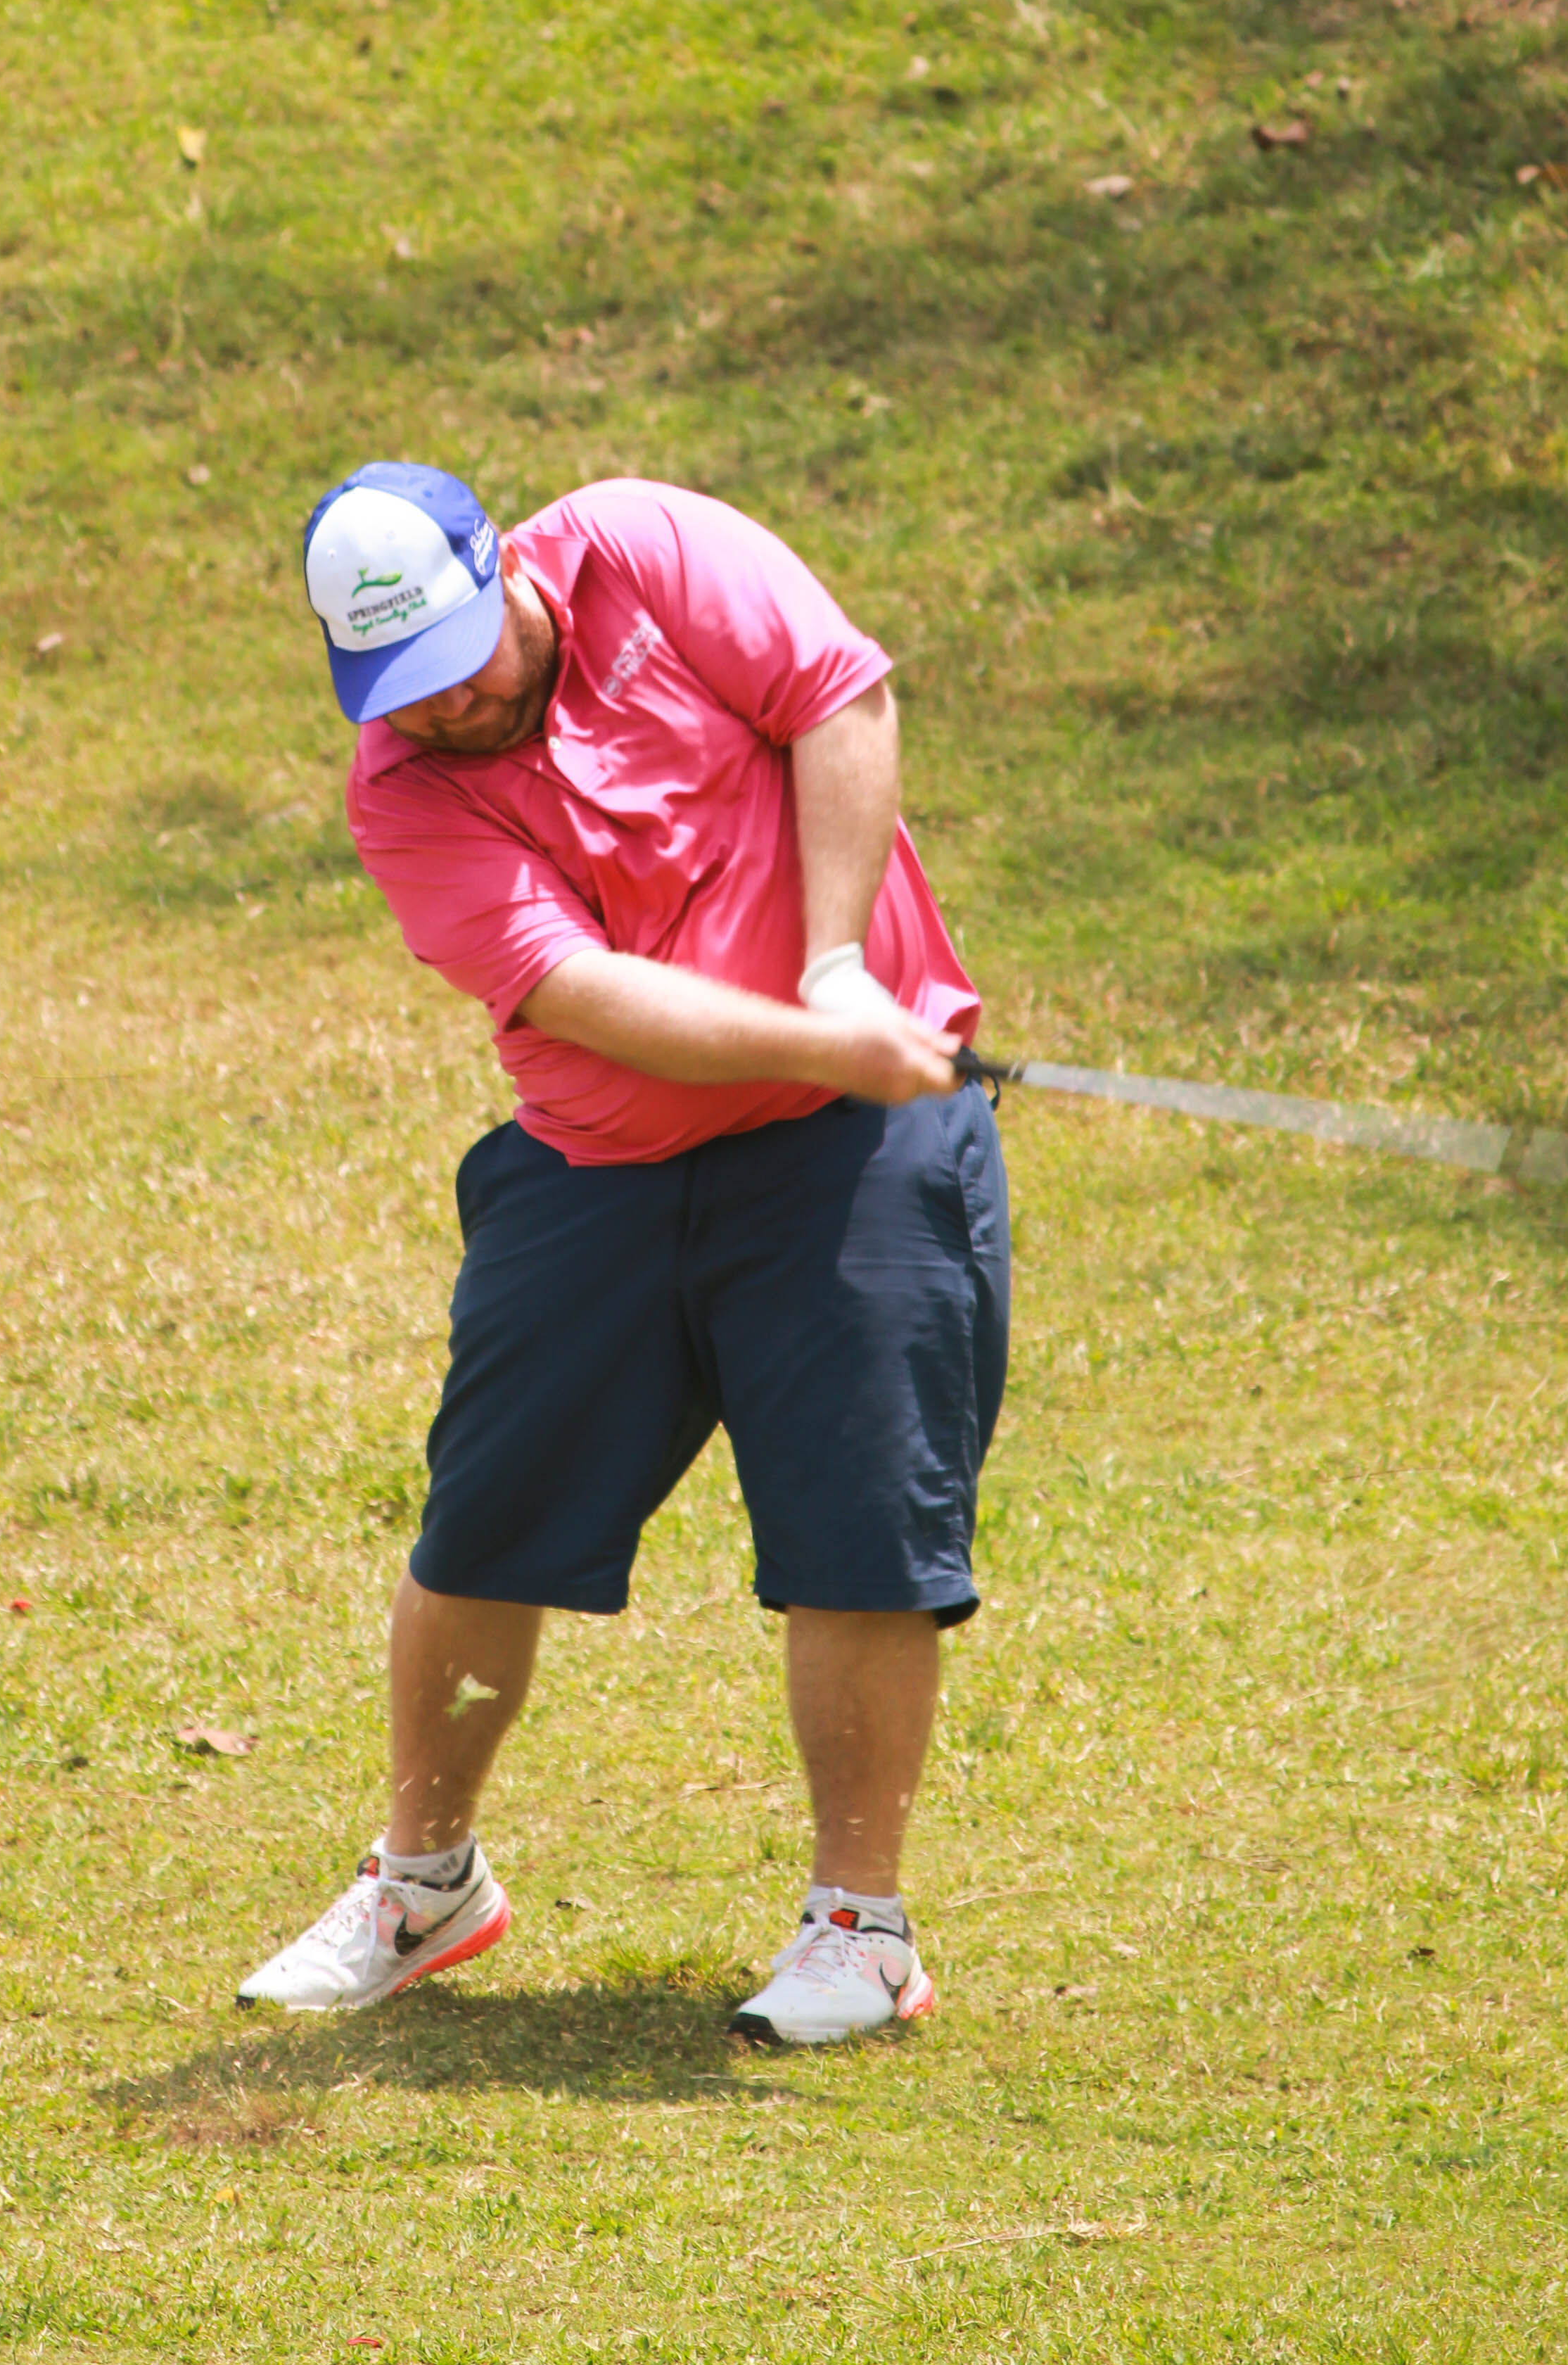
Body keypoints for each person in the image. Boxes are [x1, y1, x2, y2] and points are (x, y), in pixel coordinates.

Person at [237, 463, 1009, 2047]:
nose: (440, 708)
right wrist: (818, 1035)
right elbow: (581, 992)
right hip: (598, 1165)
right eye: (398, 687)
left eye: (459, 662)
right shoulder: (403, 793)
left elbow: (839, 700)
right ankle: (426, 1883)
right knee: (483, 1524)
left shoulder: (652, 550)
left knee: (862, 1532)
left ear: (504, 571)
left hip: (854, 1149)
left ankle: (859, 1933)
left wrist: (840, 968)